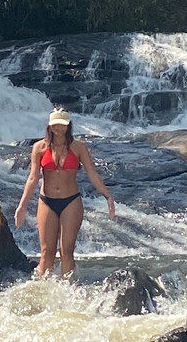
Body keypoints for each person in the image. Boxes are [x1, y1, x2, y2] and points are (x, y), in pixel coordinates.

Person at [14, 107, 116, 279]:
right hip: (46, 201)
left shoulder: (78, 147)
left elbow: (92, 173)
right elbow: (33, 178)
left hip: (71, 201)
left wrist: (108, 196)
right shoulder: (39, 147)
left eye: (62, 125)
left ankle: (69, 289)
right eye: (55, 125)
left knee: (67, 250)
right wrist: (22, 206)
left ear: (68, 126)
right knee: (46, 252)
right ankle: (43, 289)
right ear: (49, 126)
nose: (58, 128)